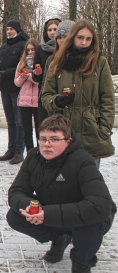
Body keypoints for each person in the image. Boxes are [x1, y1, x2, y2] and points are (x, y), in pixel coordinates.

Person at [7, 114, 116, 273]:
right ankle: (60, 237)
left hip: (90, 217)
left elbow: (99, 206)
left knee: (90, 225)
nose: (47, 144)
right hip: (53, 211)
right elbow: (17, 191)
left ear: (68, 141)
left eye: (54, 139)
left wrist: (46, 214)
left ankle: (81, 263)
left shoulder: (83, 161)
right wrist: (32, 207)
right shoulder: (33, 157)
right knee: (15, 216)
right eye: (43, 139)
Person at [42, 20, 115, 168]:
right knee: (63, 182)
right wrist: (57, 101)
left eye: (88, 39)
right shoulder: (56, 62)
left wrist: (104, 128)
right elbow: (45, 96)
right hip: (63, 131)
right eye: (80, 38)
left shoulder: (100, 63)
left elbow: (107, 99)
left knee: (89, 181)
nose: (84, 43)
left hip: (91, 131)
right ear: (73, 37)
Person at [0, 20, 29, 164]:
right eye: (7, 29)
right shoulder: (3, 47)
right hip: (4, 87)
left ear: (18, 30)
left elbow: (23, 66)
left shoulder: (23, 45)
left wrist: (5, 73)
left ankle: (19, 152)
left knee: (19, 121)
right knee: (10, 121)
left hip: (17, 87)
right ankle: (11, 149)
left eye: (11, 29)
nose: (9, 31)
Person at [32, 18, 61, 124]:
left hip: (61, 89)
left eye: (55, 29)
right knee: (44, 123)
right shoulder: (40, 49)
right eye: (49, 30)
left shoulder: (65, 48)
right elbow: (36, 75)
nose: (52, 32)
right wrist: (37, 74)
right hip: (45, 90)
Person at [13, 38, 39, 153]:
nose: (30, 52)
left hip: (38, 101)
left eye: (32, 49)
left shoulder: (40, 63)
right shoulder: (21, 63)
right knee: (27, 131)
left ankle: (41, 153)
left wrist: (28, 76)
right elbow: (16, 83)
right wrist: (22, 77)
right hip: (24, 101)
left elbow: (39, 81)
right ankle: (30, 154)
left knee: (39, 130)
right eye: (28, 50)